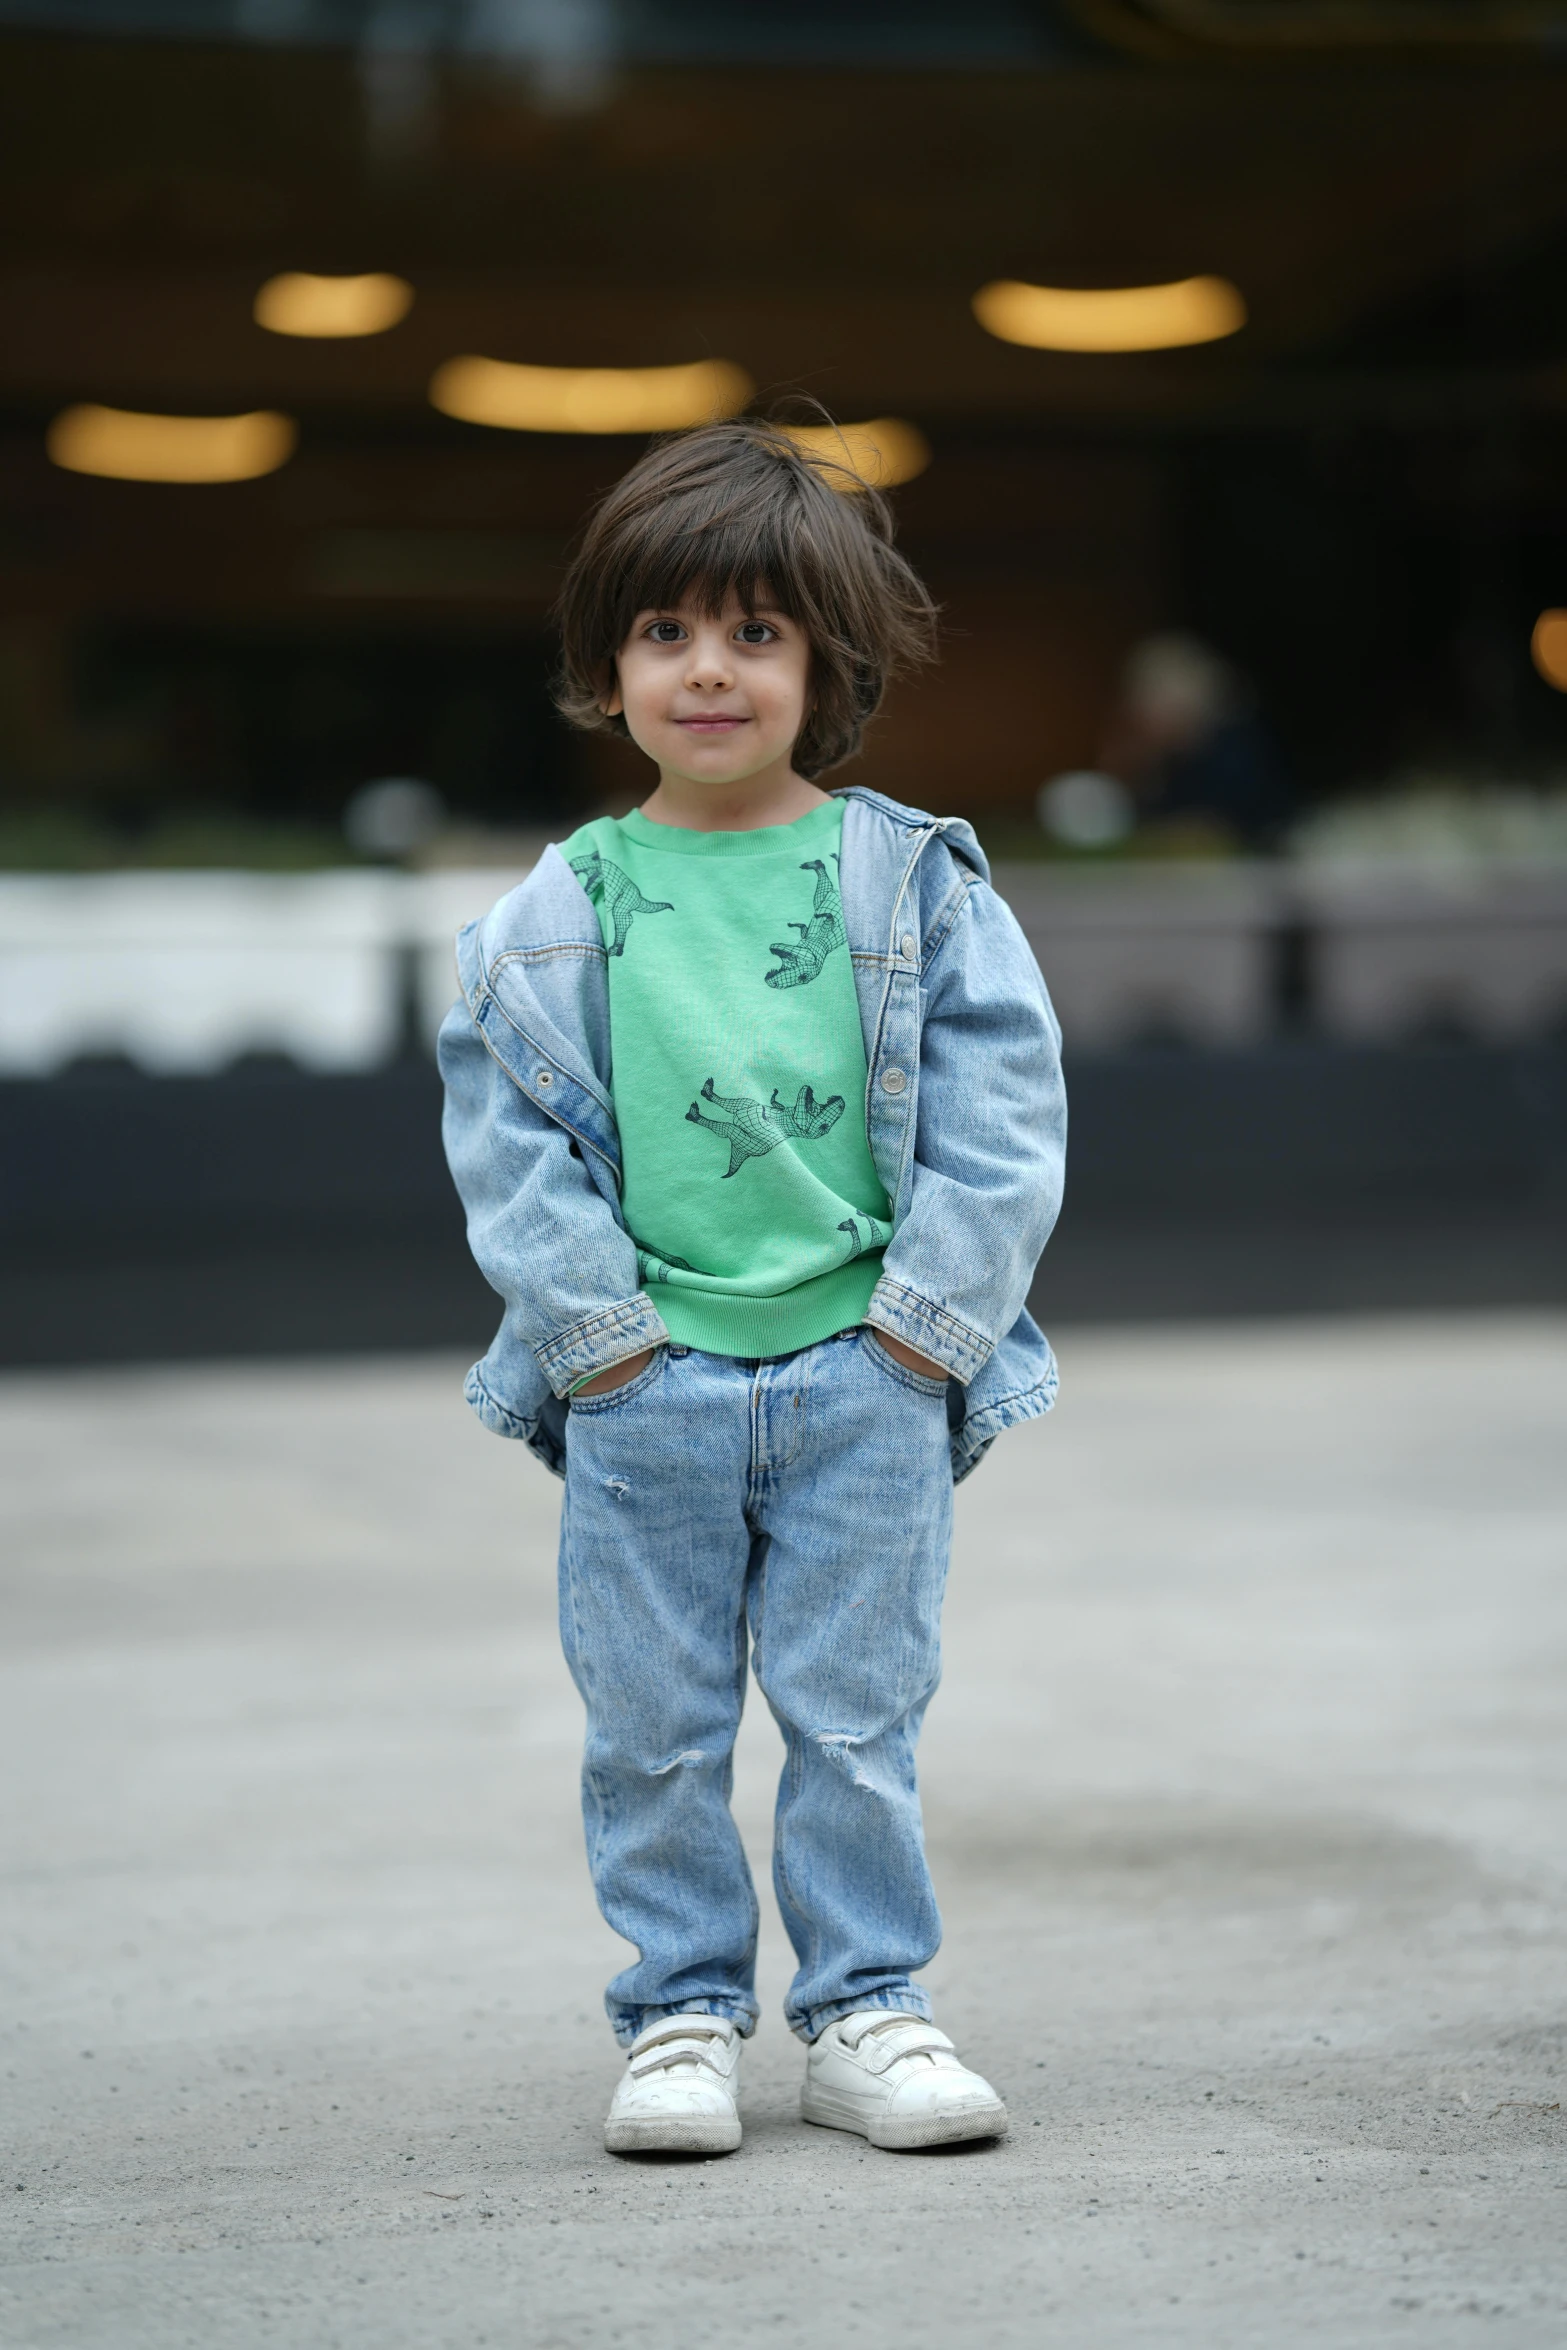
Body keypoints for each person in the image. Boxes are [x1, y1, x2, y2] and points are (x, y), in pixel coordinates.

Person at [438, 419, 1066, 2157]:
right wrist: (606, 1346)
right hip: (646, 1381)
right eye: (664, 633)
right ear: (608, 662)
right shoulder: (552, 913)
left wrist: (913, 1336)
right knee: (649, 1731)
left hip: (866, 1367)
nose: (706, 670)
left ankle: (869, 2010)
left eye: (755, 632)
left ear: (825, 663)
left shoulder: (909, 879)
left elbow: (1007, 1124)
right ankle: (680, 2017)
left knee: (856, 1722)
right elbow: (507, 1147)